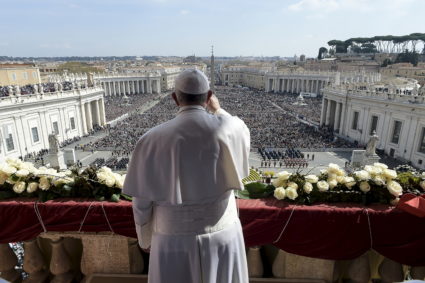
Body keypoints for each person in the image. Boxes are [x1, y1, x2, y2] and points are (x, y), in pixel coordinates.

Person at [123, 69, 250, 283]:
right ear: (209, 96)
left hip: (172, 238)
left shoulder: (151, 139)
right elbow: (241, 129)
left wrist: (144, 238)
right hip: (223, 234)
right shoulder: (231, 129)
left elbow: (141, 202)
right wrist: (218, 110)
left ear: (174, 98)